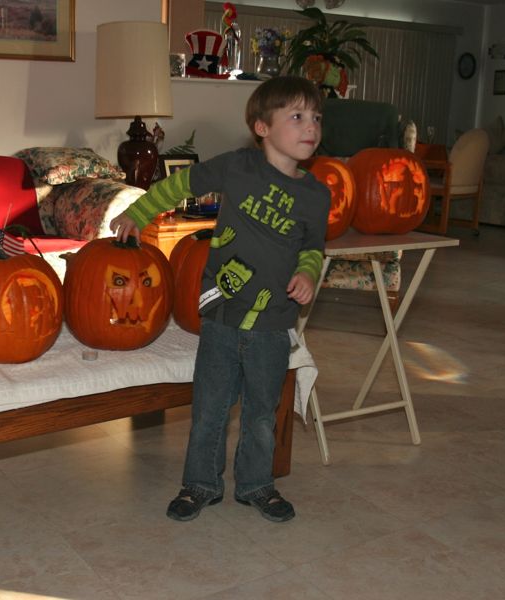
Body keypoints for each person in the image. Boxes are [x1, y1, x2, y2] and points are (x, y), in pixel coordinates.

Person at [110, 76, 330, 523]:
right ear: (262, 127)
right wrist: (139, 211)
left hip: (272, 322)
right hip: (222, 315)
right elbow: (180, 185)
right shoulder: (237, 167)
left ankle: (256, 485)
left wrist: (308, 273)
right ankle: (201, 484)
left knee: (261, 414)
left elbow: (312, 247)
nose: (311, 127)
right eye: (297, 116)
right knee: (209, 408)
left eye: (316, 118)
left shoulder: (315, 194)